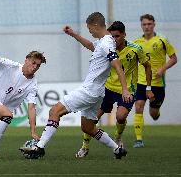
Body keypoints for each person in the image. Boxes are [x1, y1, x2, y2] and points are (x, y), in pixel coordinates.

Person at [22, 12, 132, 160]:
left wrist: (125, 89)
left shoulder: (106, 43)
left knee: (55, 111)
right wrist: (73, 34)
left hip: (90, 91)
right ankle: (117, 149)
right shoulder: (105, 41)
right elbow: (91, 46)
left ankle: (39, 147)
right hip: (98, 93)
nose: (90, 31)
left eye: (89, 28)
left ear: (95, 25)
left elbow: (117, 65)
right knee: (87, 128)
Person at [75, 21, 154, 158]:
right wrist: (73, 33)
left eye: (117, 36)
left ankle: (118, 138)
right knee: (91, 119)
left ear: (124, 35)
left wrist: (148, 88)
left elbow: (147, 66)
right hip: (107, 89)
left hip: (127, 90)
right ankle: (85, 146)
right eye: (112, 37)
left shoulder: (135, 49)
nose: (114, 40)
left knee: (120, 116)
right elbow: (89, 45)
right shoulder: (106, 46)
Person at [133, 14, 178, 148]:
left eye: (149, 24)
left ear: (154, 25)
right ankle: (139, 140)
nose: (147, 27)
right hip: (141, 82)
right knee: (138, 106)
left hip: (157, 84)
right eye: (144, 24)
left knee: (153, 114)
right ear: (141, 26)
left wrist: (162, 69)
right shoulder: (136, 43)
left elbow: (174, 58)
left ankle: (156, 112)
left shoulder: (162, 40)